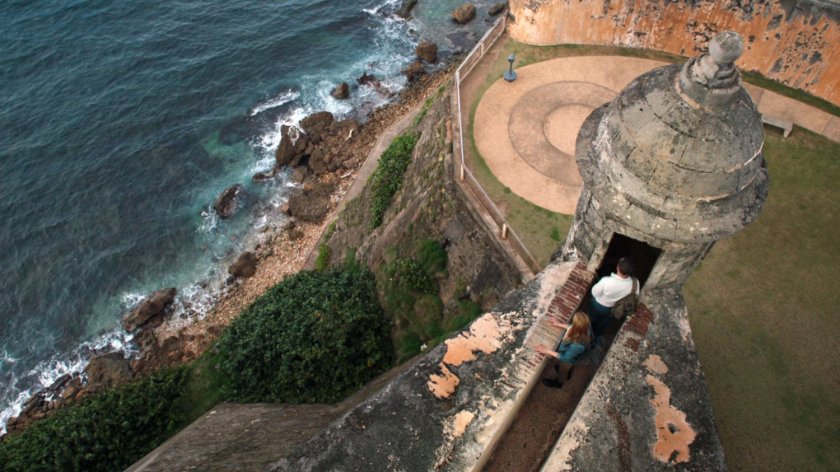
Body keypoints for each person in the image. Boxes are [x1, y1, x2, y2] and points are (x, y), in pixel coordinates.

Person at [535, 312, 592, 388]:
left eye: (574, 322)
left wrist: (546, 350)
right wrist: (558, 324)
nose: (572, 324)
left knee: (564, 369)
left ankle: (560, 382)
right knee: (563, 367)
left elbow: (565, 358)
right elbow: (571, 327)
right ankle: (565, 372)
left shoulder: (578, 345)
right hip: (571, 354)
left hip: (569, 359)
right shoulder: (585, 328)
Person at [588, 257, 637, 337]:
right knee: (602, 324)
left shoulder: (606, 280)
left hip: (598, 305)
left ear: (617, 267)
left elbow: (594, 293)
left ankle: (588, 333)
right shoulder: (634, 284)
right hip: (613, 308)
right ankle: (596, 337)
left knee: (590, 320)